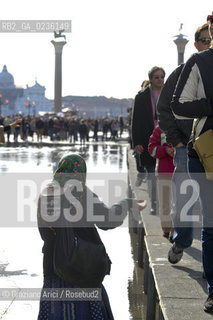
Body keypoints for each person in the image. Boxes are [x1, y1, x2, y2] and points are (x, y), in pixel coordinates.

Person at [37, 153, 146, 319]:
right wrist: (127, 203)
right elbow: (108, 220)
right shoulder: (82, 193)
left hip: (54, 268)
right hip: (83, 268)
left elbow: (46, 234)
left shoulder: (46, 195)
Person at [157, 22, 211, 262]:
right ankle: (182, 241)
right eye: (205, 40)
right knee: (186, 199)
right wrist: (177, 141)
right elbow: (165, 108)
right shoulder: (182, 72)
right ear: (196, 44)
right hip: (187, 146)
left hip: (209, 143)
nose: (209, 44)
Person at [170, 17, 213, 313]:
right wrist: (210, 105)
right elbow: (177, 106)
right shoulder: (199, 62)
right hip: (207, 151)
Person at [131, 66, 165, 214]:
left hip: (166, 138)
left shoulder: (169, 93)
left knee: (165, 173)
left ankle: (166, 202)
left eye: (162, 77)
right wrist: (136, 142)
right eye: (156, 77)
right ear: (151, 79)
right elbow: (135, 120)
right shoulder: (141, 96)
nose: (160, 80)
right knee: (151, 173)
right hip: (147, 138)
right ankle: (155, 204)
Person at [148, 125, 174, 241]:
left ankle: (176, 231)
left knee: (179, 204)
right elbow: (151, 149)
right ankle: (166, 229)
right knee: (165, 203)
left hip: (181, 173)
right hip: (164, 173)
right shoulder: (159, 129)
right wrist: (165, 150)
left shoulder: (185, 125)